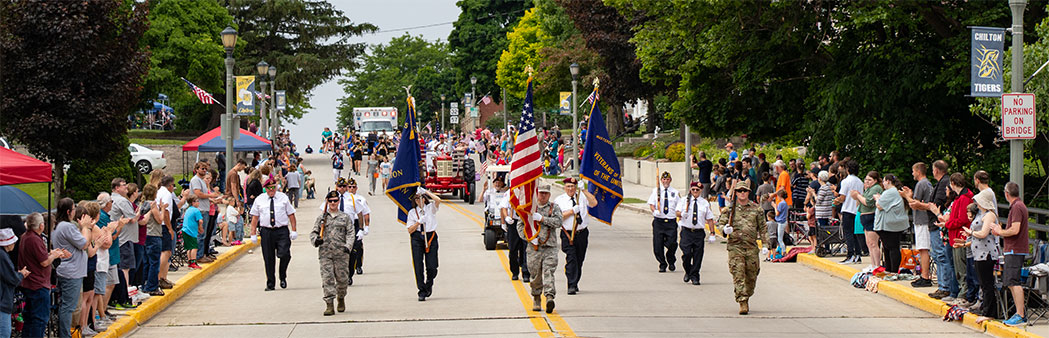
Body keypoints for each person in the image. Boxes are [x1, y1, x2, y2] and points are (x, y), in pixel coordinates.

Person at [717, 181, 766, 315]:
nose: (742, 193)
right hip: (735, 247)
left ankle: (747, 293)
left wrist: (766, 245)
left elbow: (763, 228)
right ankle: (742, 301)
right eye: (739, 191)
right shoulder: (729, 210)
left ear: (748, 192)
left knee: (751, 276)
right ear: (736, 193)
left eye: (744, 191)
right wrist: (724, 229)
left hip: (751, 247)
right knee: (738, 274)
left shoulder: (757, 209)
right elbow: (720, 224)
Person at [18, 213, 70, 337]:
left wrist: (52, 253)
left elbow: (39, 256)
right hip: (37, 284)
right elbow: (44, 261)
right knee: (39, 319)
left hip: (29, 283)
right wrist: (54, 255)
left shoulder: (25, 236)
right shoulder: (35, 239)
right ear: (41, 226)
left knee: (30, 318)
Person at [250, 177, 299, 291]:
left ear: (276, 187)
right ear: (265, 189)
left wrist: (294, 230)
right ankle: (270, 283)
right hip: (266, 231)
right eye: (269, 188)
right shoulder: (259, 200)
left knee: (285, 254)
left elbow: (291, 214)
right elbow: (255, 217)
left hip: (281, 230)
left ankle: (283, 275)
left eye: (273, 187)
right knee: (268, 258)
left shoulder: (283, 198)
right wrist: (253, 233)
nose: (271, 190)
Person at [521, 184, 563, 313]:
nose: (543, 195)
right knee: (535, 275)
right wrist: (528, 237)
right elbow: (520, 225)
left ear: (549, 195)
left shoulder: (554, 207)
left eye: (546, 193)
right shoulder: (529, 208)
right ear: (536, 194)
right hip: (534, 248)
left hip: (549, 247)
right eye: (541, 193)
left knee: (548, 272)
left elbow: (558, 222)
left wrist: (543, 219)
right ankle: (536, 297)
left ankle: (549, 297)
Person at [935, 173, 974, 305]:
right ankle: (959, 293)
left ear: (952, 183)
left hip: (959, 236)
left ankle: (962, 294)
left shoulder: (963, 199)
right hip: (956, 236)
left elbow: (962, 219)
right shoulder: (961, 198)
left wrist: (947, 224)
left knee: (961, 268)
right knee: (957, 267)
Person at [312, 191, 353, 316]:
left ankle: (341, 297)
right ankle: (329, 304)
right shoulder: (321, 218)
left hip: (341, 253)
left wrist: (348, 246)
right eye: (331, 201)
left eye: (335, 200)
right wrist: (316, 240)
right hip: (325, 253)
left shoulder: (345, 217)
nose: (333, 203)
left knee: (342, 279)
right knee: (327, 279)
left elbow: (351, 233)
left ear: (338, 201)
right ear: (327, 202)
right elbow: (313, 232)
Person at [555, 177, 596, 295]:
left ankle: (575, 281)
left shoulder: (581, 197)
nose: (570, 189)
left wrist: (584, 191)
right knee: (571, 258)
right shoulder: (560, 200)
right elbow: (558, 217)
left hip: (581, 233)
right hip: (568, 234)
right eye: (568, 186)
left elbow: (594, 203)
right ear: (564, 187)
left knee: (579, 259)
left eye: (573, 186)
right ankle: (571, 284)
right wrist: (572, 211)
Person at [995, 182, 1029, 326]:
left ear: (1006, 194)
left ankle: (1020, 314)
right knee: (1010, 282)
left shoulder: (1016, 207)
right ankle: (1018, 313)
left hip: (1015, 249)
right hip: (1013, 249)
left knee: (1014, 282)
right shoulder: (1018, 206)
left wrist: (1000, 232)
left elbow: (1015, 230)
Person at [924, 160, 956, 300]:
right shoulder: (942, 182)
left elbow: (936, 205)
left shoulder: (944, 183)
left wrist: (919, 204)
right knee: (937, 255)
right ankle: (943, 285)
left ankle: (945, 286)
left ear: (936, 170)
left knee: (941, 256)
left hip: (939, 224)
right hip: (935, 223)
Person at [900, 162, 935, 287]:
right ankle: (924, 274)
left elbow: (914, 204)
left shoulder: (921, 184)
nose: (912, 173)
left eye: (913, 171)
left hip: (922, 221)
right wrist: (910, 195)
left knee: (923, 249)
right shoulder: (927, 183)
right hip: (924, 220)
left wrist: (906, 196)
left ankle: (925, 276)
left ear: (918, 172)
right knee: (923, 248)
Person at [967, 190, 999, 319]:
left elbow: (983, 233)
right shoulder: (982, 214)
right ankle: (985, 307)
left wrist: (970, 233)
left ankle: (989, 312)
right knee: (983, 282)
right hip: (978, 252)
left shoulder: (990, 215)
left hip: (986, 253)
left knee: (987, 283)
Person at [407, 188, 442, 301]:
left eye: (420, 197)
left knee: (432, 266)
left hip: (430, 236)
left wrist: (425, 192)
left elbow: (438, 200)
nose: (419, 200)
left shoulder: (430, 208)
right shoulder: (412, 212)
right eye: (416, 198)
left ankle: (429, 283)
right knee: (418, 265)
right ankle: (421, 290)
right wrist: (418, 222)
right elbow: (410, 230)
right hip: (417, 238)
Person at [676, 182, 715, 285]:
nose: (695, 192)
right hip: (687, 231)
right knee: (687, 254)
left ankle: (695, 276)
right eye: (693, 190)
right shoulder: (684, 200)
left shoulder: (704, 203)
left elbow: (710, 218)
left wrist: (712, 233)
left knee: (698, 256)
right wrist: (682, 214)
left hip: (698, 233)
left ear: (701, 190)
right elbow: (677, 212)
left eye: (697, 190)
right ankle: (688, 271)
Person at [873, 174, 908, 273]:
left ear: (888, 181)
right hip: (891, 225)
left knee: (892, 248)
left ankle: (893, 271)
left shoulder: (890, 192)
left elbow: (879, 205)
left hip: (890, 226)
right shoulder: (893, 192)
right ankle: (889, 269)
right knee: (888, 247)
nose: (883, 184)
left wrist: (877, 198)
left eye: (884, 181)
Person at [647, 172, 681, 272]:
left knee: (672, 244)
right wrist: (654, 211)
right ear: (661, 180)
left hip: (671, 221)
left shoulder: (675, 192)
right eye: (664, 179)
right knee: (658, 245)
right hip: (659, 221)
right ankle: (662, 263)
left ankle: (671, 260)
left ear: (670, 180)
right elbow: (651, 204)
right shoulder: (656, 191)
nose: (665, 181)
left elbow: (679, 206)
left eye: (667, 179)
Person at [0, 228, 28, 338]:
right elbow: (13, 279)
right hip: (3, 302)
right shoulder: (2, 256)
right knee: (4, 333)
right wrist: (21, 274)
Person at [835, 160, 863, 264]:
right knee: (855, 233)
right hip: (857, 210)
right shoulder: (860, 182)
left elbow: (842, 197)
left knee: (848, 233)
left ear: (847, 170)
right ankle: (858, 254)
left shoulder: (846, 181)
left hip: (847, 209)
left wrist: (837, 200)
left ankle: (850, 254)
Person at [500, 188, 530, 282]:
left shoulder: (528, 189)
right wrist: (505, 219)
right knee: (513, 249)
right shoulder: (509, 192)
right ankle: (515, 272)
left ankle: (526, 273)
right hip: (513, 222)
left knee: (526, 249)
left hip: (525, 221)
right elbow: (503, 207)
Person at [346, 179, 371, 280]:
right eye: (350, 187)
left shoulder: (361, 199)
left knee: (358, 245)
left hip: (357, 223)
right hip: (347, 223)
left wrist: (366, 226)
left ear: (357, 188)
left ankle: (359, 265)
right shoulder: (343, 198)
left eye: (353, 187)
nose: (352, 189)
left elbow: (366, 213)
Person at [182, 196, 203, 270]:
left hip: (185, 230)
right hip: (191, 231)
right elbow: (200, 221)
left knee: (189, 247)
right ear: (193, 202)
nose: (198, 202)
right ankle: (193, 262)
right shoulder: (196, 210)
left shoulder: (188, 210)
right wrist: (200, 228)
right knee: (194, 247)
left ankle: (190, 262)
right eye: (197, 201)